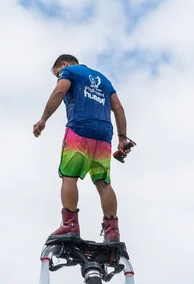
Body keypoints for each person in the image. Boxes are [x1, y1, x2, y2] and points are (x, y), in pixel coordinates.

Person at [33, 54, 129, 243]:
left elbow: (59, 92)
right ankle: (112, 231)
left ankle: (70, 225)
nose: (59, 76)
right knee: (103, 183)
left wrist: (43, 119)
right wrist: (122, 138)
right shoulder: (105, 80)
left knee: (69, 177)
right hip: (103, 136)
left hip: (79, 129)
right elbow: (118, 107)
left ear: (63, 64)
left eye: (57, 73)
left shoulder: (69, 71)